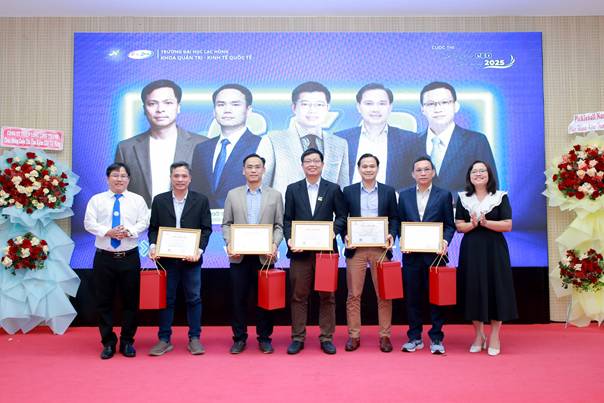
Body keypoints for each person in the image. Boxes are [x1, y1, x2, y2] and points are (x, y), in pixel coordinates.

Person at [283, 148, 347, 355]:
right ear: (302, 165)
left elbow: (342, 217)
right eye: (308, 161)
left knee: (327, 296)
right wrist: (290, 239)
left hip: (325, 252)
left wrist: (332, 233)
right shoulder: (293, 189)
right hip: (300, 253)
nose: (312, 164)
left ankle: (326, 338)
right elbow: (287, 219)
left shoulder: (333, 188)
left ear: (322, 164)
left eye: (316, 161)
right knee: (298, 296)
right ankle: (297, 337)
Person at [84, 162, 149, 359]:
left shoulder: (137, 200)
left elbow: (144, 222)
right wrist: (108, 232)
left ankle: (127, 341)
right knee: (104, 302)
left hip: (129, 257)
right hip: (104, 258)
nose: (119, 179)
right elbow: (89, 223)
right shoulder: (96, 200)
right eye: (115, 175)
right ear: (107, 178)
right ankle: (108, 342)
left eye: (123, 176)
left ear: (129, 179)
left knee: (131, 302)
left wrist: (129, 231)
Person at [147, 162, 212, 356]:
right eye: (176, 176)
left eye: (184, 176)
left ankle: (195, 338)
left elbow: (206, 229)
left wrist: (198, 250)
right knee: (166, 300)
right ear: (171, 178)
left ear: (190, 178)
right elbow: (153, 229)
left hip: (192, 260)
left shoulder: (201, 200)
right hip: (166, 260)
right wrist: (153, 247)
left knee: (194, 298)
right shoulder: (159, 200)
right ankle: (164, 339)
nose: (180, 179)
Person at [222, 153, 284, 354]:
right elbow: (226, 224)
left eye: (257, 167)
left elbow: (279, 226)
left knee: (265, 299)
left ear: (264, 170)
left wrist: (274, 244)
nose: (253, 170)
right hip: (239, 257)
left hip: (264, 257)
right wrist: (230, 242)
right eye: (249, 167)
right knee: (238, 299)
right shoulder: (233, 194)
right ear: (243, 171)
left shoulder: (275, 195)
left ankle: (264, 338)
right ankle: (239, 338)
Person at [455, 160, 517, 356]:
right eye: (474, 171)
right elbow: (459, 226)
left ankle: (495, 335)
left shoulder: (500, 197)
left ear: (489, 174)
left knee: (496, 289)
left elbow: (507, 225)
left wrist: (485, 222)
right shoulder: (463, 198)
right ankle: (478, 334)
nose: (478, 174)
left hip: (494, 249)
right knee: (473, 290)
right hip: (471, 249)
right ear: (469, 176)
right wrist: (473, 224)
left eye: (482, 170)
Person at [115, 79, 207, 207]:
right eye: (152, 103)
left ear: (178, 107)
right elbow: (119, 192)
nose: (160, 109)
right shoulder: (126, 148)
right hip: (142, 218)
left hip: (188, 218)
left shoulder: (202, 145)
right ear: (144, 109)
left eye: (168, 103)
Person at [341, 153, 399, 353]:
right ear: (359, 169)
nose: (368, 169)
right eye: (364, 166)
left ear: (377, 168)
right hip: (356, 249)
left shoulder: (388, 191)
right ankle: (354, 336)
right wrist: (345, 235)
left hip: (380, 250)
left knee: (384, 294)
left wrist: (391, 234)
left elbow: (394, 218)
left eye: (372, 166)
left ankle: (385, 336)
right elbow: (342, 218)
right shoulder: (348, 191)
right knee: (353, 295)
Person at [397, 156, 455, 354]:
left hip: (435, 257)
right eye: (419, 170)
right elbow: (399, 223)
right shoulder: (404, 196)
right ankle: (414, 337)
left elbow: (449, 225)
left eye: (426, 169)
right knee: (413, 298)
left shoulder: (444, 195)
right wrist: (402, 240)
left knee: (436, 297)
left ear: (433, 172)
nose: (423, 173)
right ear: (413, 174)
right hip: (411, 256)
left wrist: (444, 242)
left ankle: (436, 337)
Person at [257, 81, 349, 197]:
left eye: (319, 105)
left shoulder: (339, 144)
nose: (312, 110)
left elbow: (343, 189)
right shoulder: (273, 140)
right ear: (294, 107)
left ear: (327, 108)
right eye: (305, 104)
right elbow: (260, 186)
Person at [413, 81, 498, 195]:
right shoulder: (412, 143)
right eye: (431, 104)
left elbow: (490, 187)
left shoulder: (476, 141)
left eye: (444, 102)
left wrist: (451, 199)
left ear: (456, 106)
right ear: (422, 109)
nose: (438, 109)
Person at [190, 84, 262, 208]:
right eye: (221, 104)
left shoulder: (261, 145)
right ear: (214, 111)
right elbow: (195, 190)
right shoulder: (202, 149)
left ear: (248, 110)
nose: (227, 110)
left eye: (235, 104)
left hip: (245, 218)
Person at [335, 83, 417, 190]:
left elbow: (420, 179)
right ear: (358, 107)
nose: (375, 109)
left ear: (390, 107)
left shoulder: (409, 140)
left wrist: (397, 196)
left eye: (382, 103)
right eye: (369, 103)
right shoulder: (340, 139)